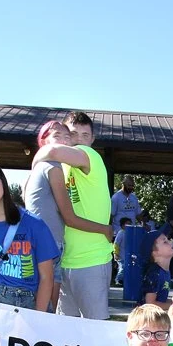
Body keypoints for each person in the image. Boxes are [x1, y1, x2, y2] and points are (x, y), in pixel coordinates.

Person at [33, 111, 114, 319]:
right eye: (72, 134)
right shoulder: (59, 168)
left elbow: (50, 149)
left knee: (96, 330)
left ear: (93, 140)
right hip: (63, 261)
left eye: (85, 136)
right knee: (66, 333)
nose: (78, 141)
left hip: (91, 261)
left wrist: (38, 157)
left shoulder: (90, 157)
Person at [0, 158, 58, 311]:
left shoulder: (35, 225)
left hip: (35, 303)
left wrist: (39, 318)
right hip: (0, 305)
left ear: (2, 180)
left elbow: (46, 278)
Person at [139, 229, 173, 308]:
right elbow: (150, 304)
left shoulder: (164, 271)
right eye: (165, 242)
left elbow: (162, 300)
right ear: (154, 252)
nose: (170, 242)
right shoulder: (154, 273)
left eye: (168, 240)